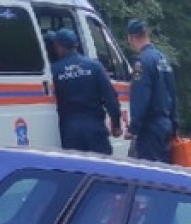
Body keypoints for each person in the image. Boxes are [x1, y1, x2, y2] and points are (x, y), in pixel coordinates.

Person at [49, 28, 122, 156]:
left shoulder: (54, 71)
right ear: (75, 45)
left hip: (70, 130)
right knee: (101, 169)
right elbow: (111, 99)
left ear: (59, 47)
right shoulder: (94, 67)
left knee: (77, 171)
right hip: (95, 128)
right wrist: (116, 124)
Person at [126, 18, 178, 162]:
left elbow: (141, 97)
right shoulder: (162, 59)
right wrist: (174, 123)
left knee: (151, 176)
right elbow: (173, 93)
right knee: (165, 173)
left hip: (151, 128)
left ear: (131, 37)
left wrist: (133, 128)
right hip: (165, 125)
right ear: (146, 34)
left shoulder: (142, 63)